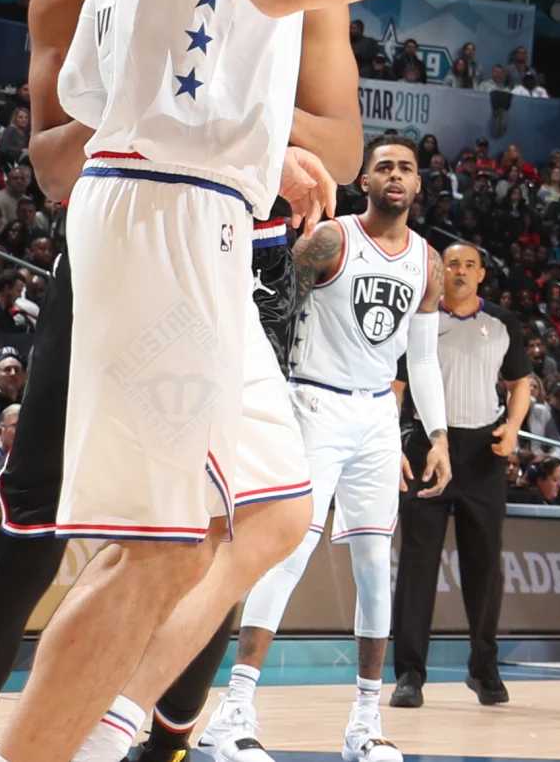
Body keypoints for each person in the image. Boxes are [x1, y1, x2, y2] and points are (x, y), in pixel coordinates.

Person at [0, 0, 560, 762]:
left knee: (274, 513)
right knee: (150, 553)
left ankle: (110, 729)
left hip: (198, 210)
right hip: (160, 215)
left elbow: (91, 85)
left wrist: (264, 151)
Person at [0, 0, 356, 762]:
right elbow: (49, 161)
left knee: (232, 526)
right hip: (122, 250)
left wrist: (245, 135)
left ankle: (132, 737)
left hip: (233, 264)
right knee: (35, 533)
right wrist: (182, 111)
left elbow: (338, 145)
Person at [201, 135, 450, 762]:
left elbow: (420, 357)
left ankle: (364, 724)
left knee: (373, 568)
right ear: (363, 180)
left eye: (407, 169)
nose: (395, 176)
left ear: (419, 186)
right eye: (384, 167)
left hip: (374, 418)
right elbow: (274, 307)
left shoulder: (428, 263)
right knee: (286, 555)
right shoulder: (333, 239)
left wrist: (436, 434)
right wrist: (265, 397)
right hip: (312, 402)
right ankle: (232, 713)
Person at [390, 241, 534, 710]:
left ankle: (484, 667)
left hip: (482, 452)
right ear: (440, 270)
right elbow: (397, 386)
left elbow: (520, 384)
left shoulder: (502, 323)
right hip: (427, 446)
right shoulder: (420, 320)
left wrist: (513, 429)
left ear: (482, 275)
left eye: (470, 264)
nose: (460, 271)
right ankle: (409, 675)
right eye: (453, 263)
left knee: (485, 567)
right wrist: (393, 440)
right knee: (417, 566)